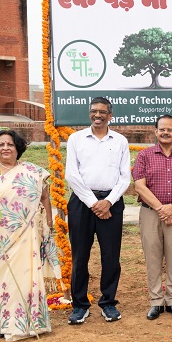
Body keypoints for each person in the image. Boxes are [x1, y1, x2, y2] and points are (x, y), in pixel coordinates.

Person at [0, 130, 63, 341]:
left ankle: (33, 323)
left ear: (18, 147)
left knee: (29, 279)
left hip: (28, 236)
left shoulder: (33, 171)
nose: (6, 148)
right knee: (3, 280)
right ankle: (4, 324)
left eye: (10, 144)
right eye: (1, 144)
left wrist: (48, 220)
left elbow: (45, 196)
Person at [65, 97, 131, 324]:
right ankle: (80, 305)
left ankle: (108, 303)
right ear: (89, 113)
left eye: (103, 112)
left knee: (111, 256)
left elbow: (125, 177)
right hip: (82, 204)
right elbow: (72, 175)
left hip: (111, 204)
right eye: (94, 111)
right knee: (80, 256)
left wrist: (109, 202)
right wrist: (94, 202)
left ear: (110, 115)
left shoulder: (120, 141)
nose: (98, 115)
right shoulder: (76, 139)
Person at [133, 115, 172, 320]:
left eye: (170, 129)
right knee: (152, 257)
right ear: (156, 131)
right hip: (150, 213)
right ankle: (155, 302)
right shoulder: (144, 155)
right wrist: (162, 208)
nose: (165, 132)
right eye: (162, 129)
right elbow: (139, 185)